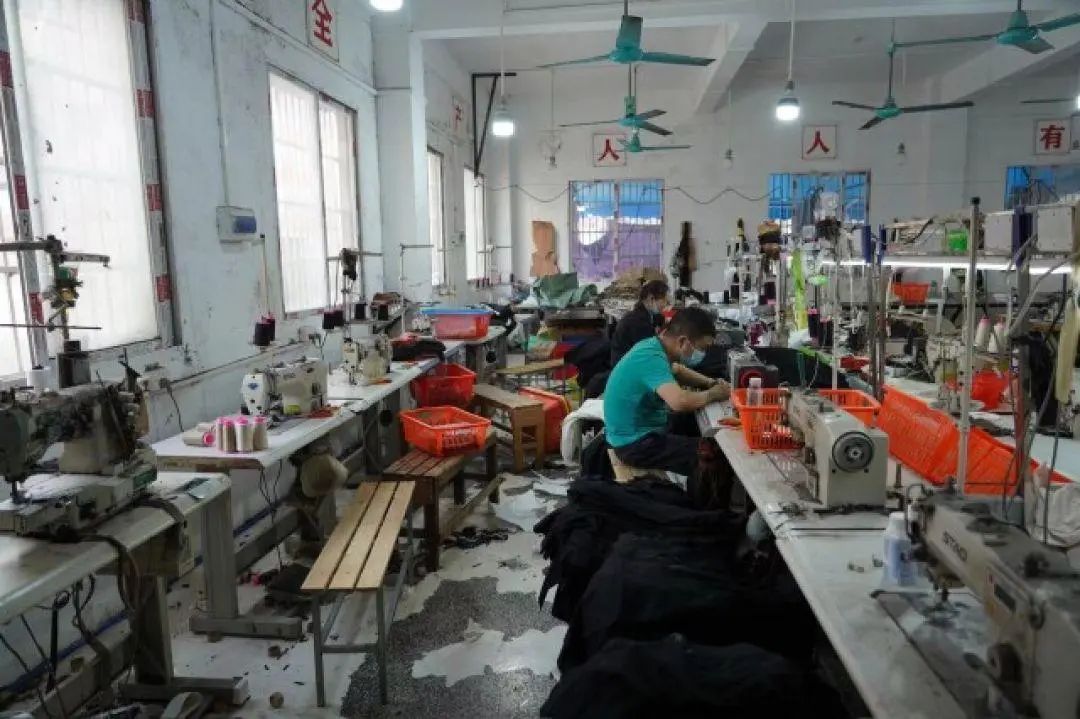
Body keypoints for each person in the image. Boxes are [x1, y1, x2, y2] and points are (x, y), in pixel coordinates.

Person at [604, 307, 731, 476]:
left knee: (693, 423)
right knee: (712, 455)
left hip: (639, 430)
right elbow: (679, 402)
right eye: (701, 348)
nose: (703, 354)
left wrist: (710, 382)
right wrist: (714, 394)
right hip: (634, 444)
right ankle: (695, 493)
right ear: (683, 341)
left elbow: (678, 371)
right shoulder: (650, 358)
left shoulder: (654, 346)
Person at [610, 280, 670, 365]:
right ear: (651, 299)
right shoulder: (637, 321)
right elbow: (648, 351)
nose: (665, 305)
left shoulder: (648, 315)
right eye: (664, 301)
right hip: (626, 365)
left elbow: (660, 320)